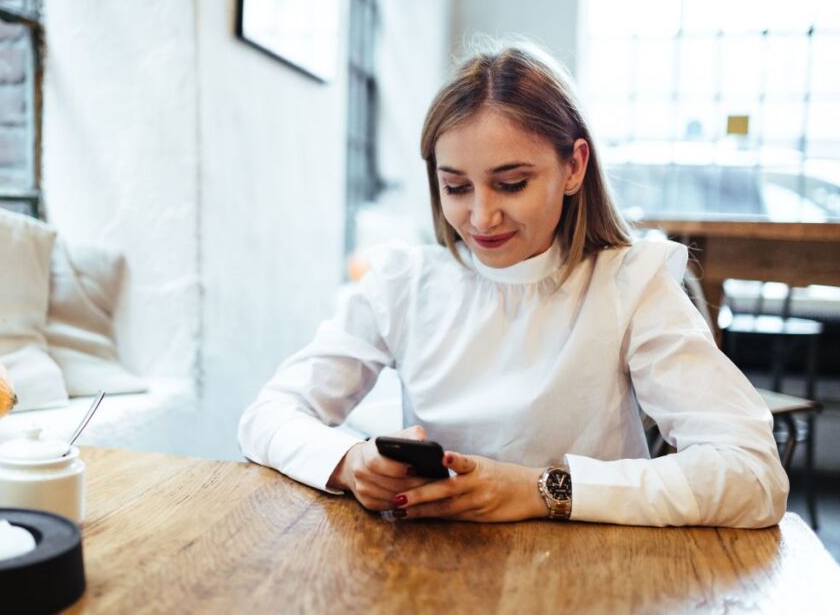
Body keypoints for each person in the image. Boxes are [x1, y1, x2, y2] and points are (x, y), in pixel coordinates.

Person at [237, 41, 788, 528]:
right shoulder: (405, 283)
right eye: (455, 187)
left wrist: (541, 491)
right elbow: (267, 415)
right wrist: (351, 462)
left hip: (595, 576)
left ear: (574, 167)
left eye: (512, 184)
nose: (481, 218)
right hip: (429, 573)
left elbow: (753, 476)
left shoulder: (628, 286)